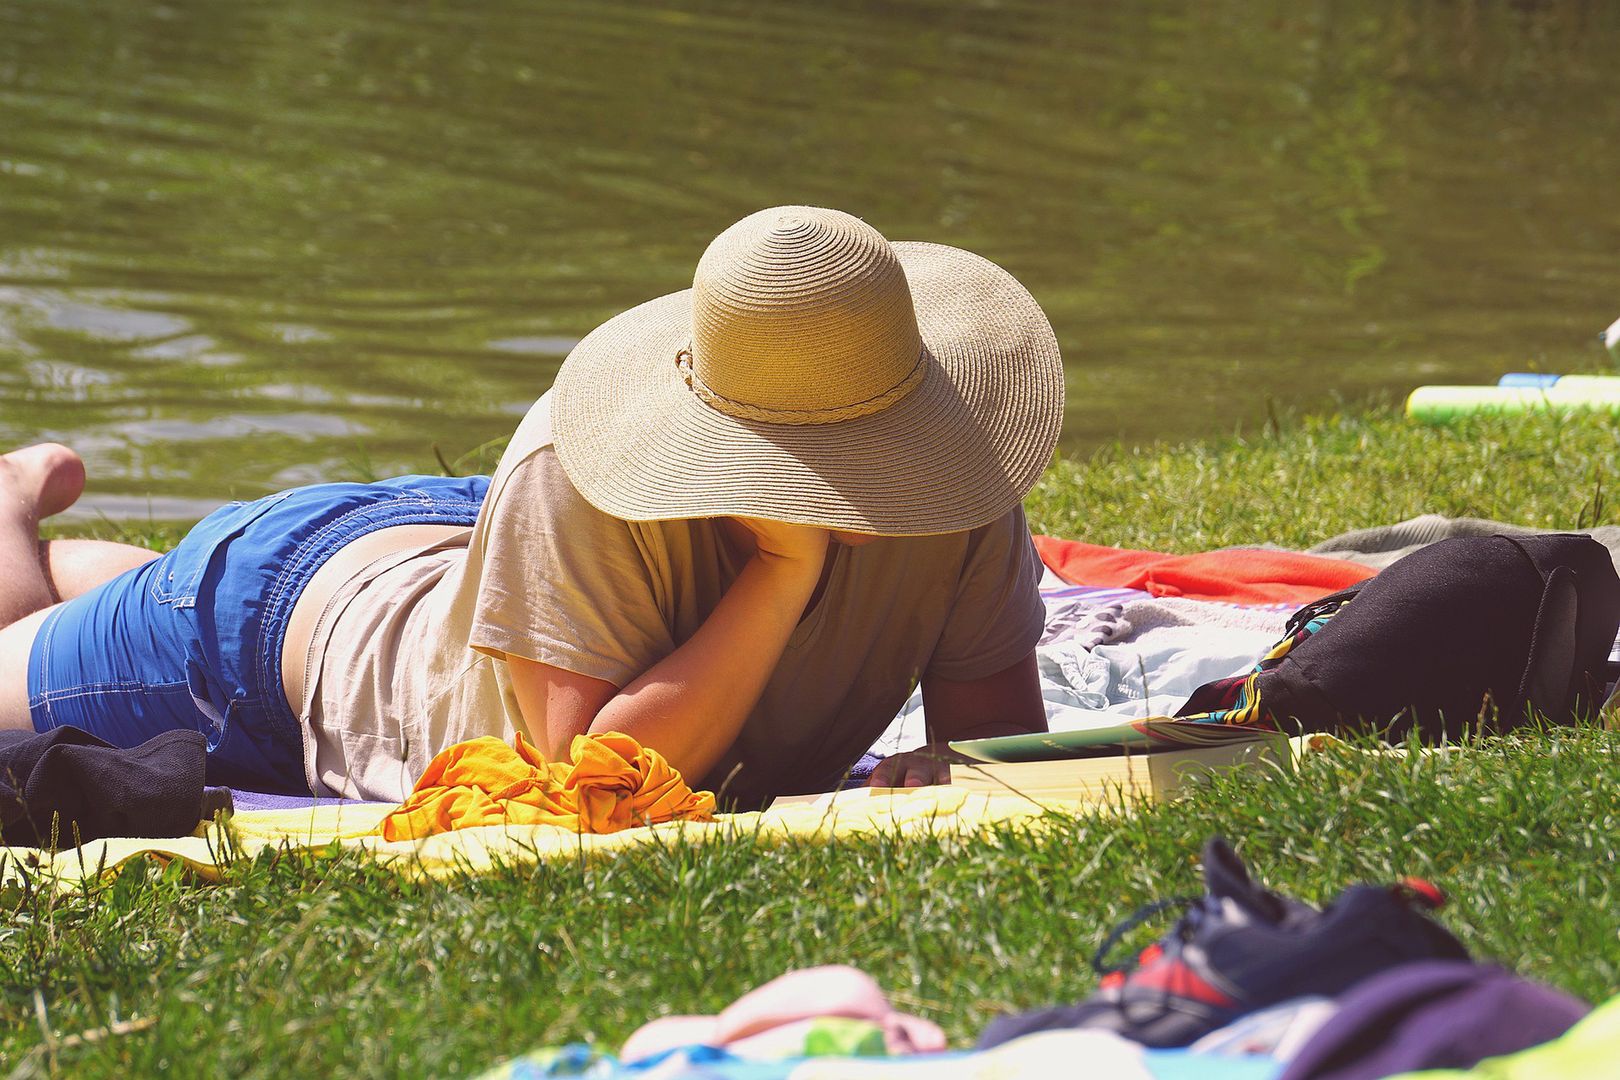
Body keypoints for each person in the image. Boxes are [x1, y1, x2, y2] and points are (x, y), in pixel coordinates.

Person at [0, 206, 1065, 807]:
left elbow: (998, 732)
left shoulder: (953, 483)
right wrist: (785, 571)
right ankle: (15, 515)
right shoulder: (579, 478)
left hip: (444, 555)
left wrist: (955, 770)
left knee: (104, 596)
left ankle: (79, 561)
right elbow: (593, 785)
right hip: (270, 646)